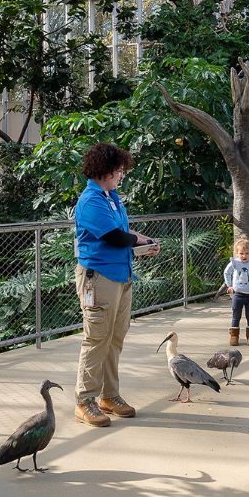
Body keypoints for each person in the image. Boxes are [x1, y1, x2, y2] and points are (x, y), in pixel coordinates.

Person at [72, 142, 159, 427]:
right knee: (97, 338)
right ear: (106, 170)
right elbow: (114, 237)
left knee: (115, 338)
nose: (122, 175)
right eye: (120, 170)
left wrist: (145, 242)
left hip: (121, 275)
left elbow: (125, 232)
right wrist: (138, 241)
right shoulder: (91, 200)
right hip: (98, 278)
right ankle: (85, 400)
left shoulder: (111, 196)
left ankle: (109, 396)